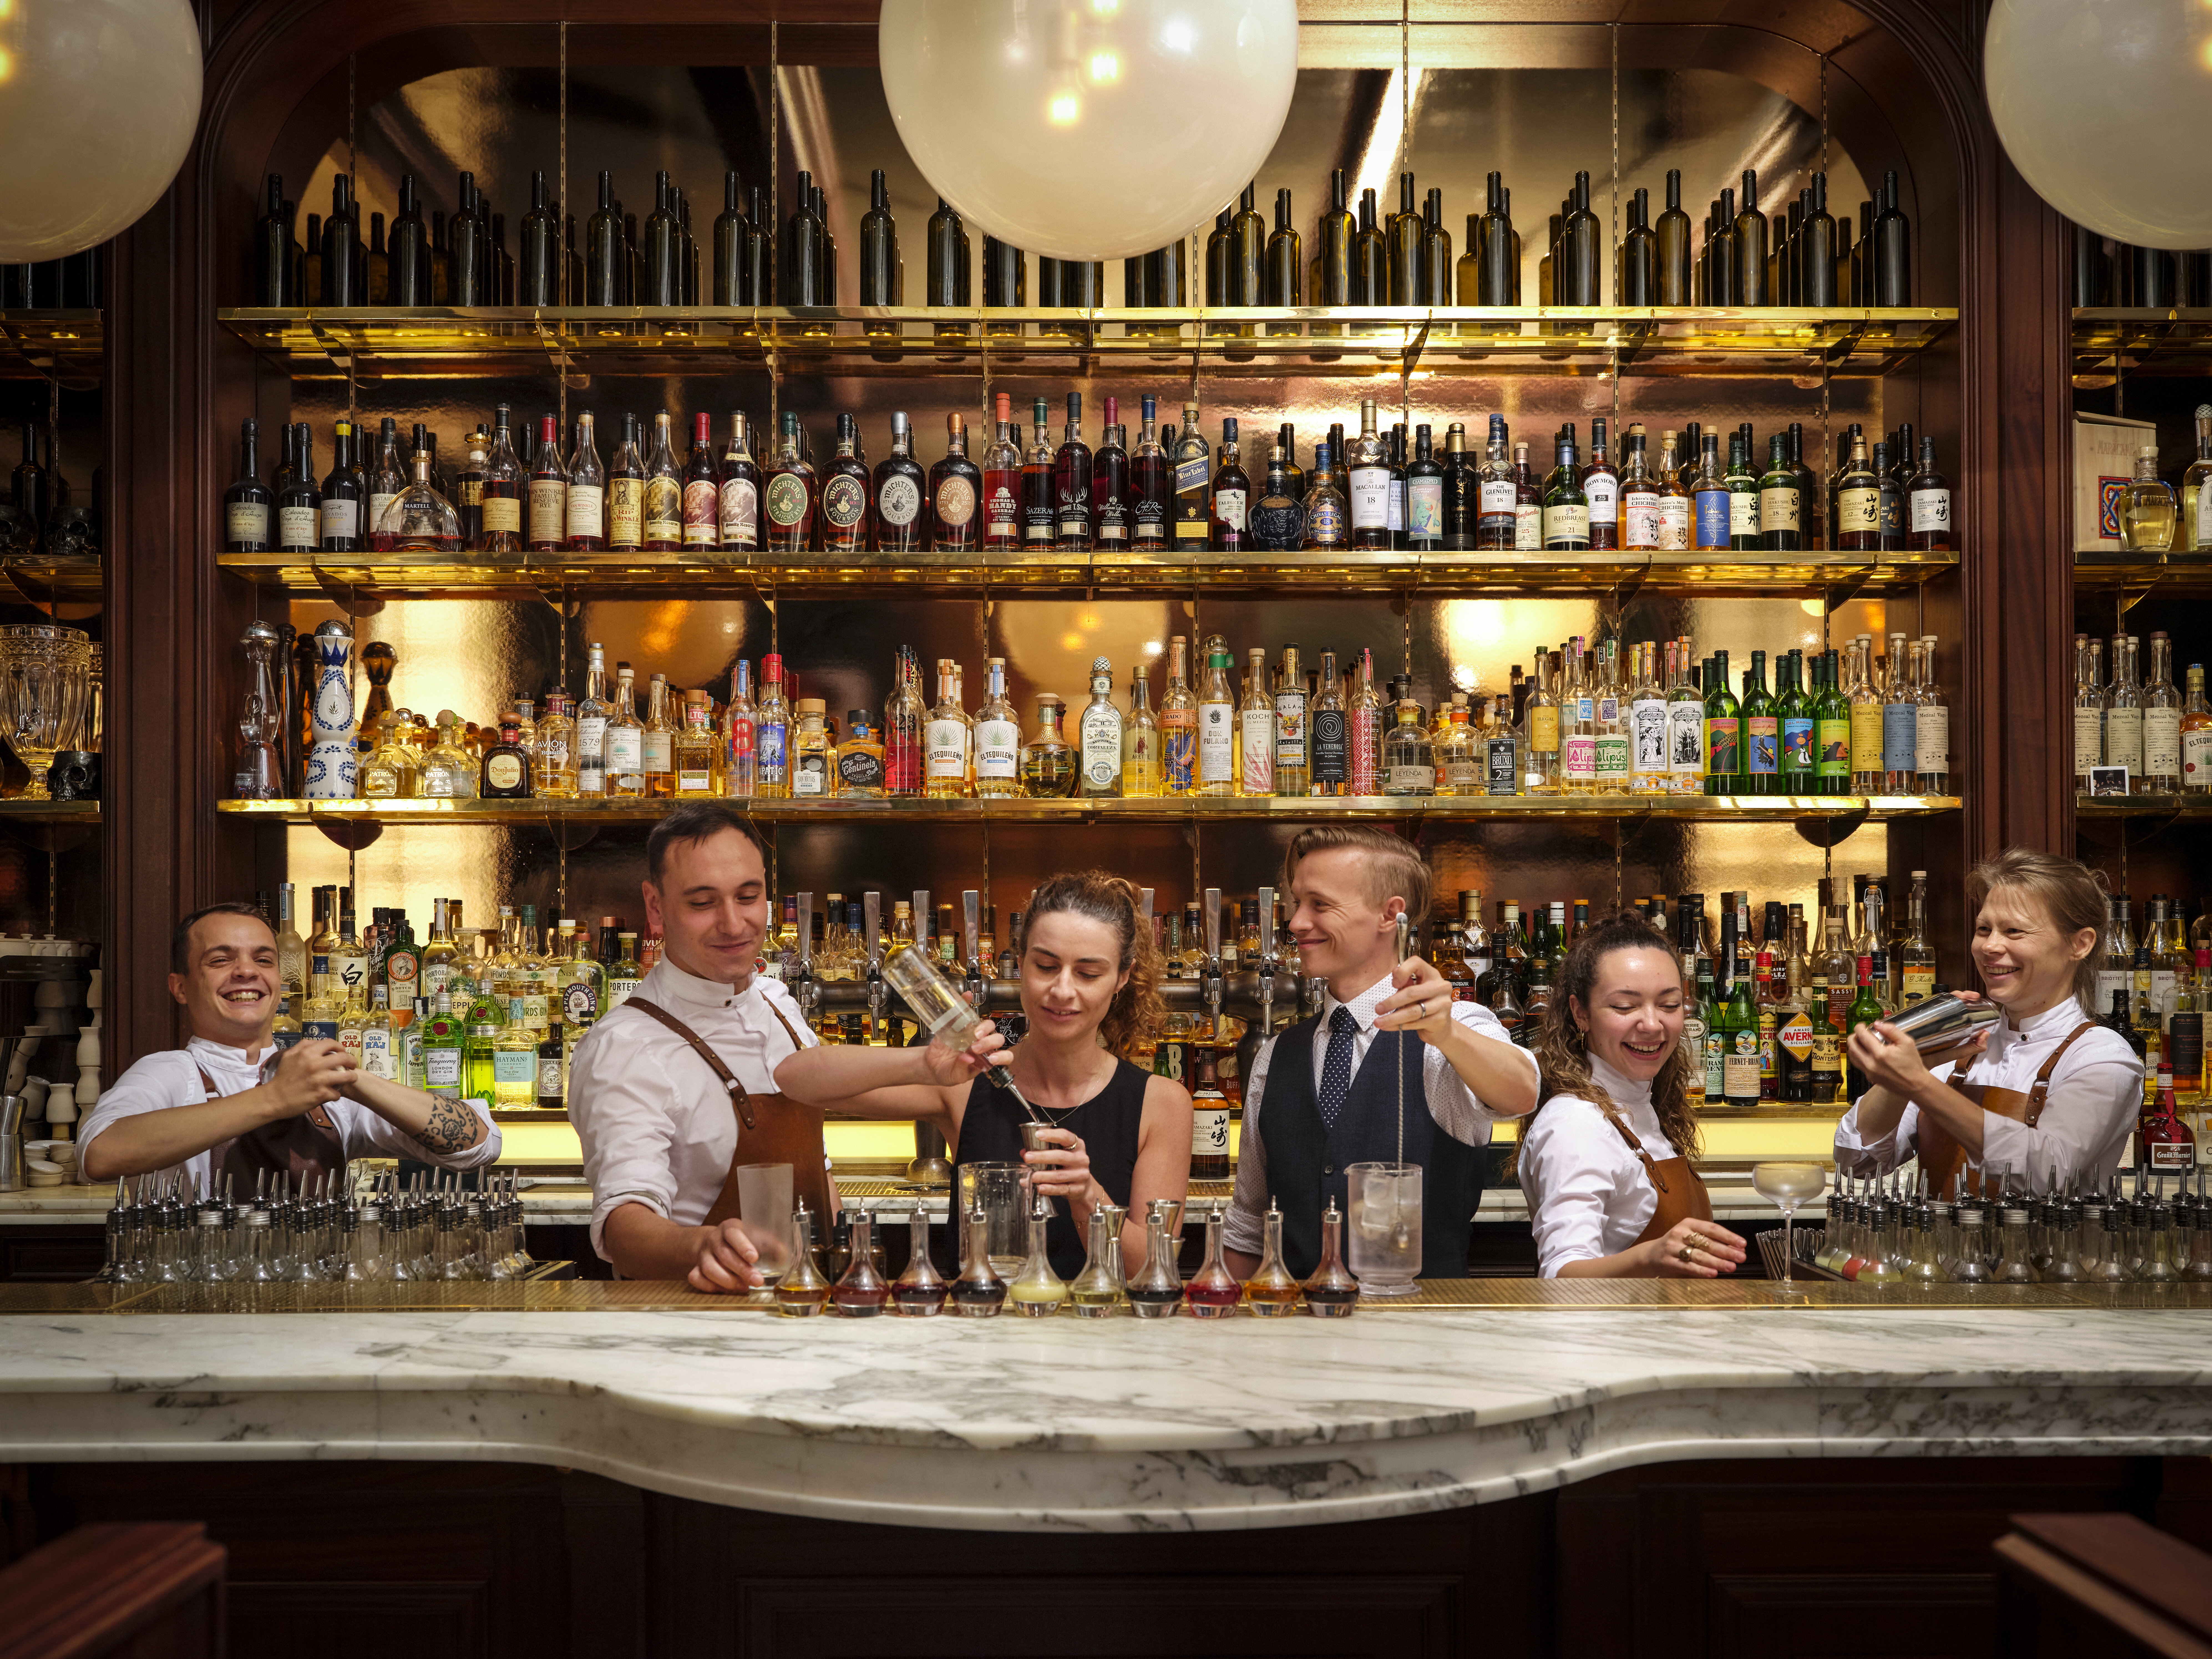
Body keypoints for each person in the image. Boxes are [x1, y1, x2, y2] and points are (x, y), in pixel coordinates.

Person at [776, 870, 1191, 1278]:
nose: (1063, 990)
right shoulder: (966, 1087)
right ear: (1020, 963)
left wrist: (1088, 1197)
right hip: (980, 1318)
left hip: (1103, 1321)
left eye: (1088, 974)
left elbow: (1153, 1271)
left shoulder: (1161, 1104)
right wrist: (921, 1065)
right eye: (1046, 966)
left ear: (1121, 978)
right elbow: (794, 1080)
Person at [1223, 825, 1539, 1282]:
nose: (1295, 923)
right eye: (1297, 903)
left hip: (1425, 1322)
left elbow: (1522, 1092)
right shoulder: (1275, 1056)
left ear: (1390, 914)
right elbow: (1249, 1228)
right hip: (1296, 1323)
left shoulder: (1454, 1030)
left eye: (1320, 904)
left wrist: (1446, 1032)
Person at [568, 802, 832, 1292]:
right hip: (696, 1319)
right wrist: (702, 1247)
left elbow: (817, 1169)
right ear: (655, 906)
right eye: (703, 903)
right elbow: (624, 1226)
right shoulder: (624, 1046)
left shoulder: (779, 1006)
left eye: (748, 897)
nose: (733, 924)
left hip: (808, 1309)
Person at [80, 901, 499, 1191]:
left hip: (318, 1290)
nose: (246, 971)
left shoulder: (320, 1081)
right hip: (207, 1291)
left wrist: (354, 1080)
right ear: (181, 987)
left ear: (279, 984)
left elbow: (479, 1144)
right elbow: (100, 1156)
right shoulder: (169, 1072)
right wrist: (274, 1099)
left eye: (263, 960)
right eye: (221, 960)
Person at [1837, 848, 2143, 1194]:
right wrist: (1910, 1066)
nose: (1989, 946)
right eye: (1984, 929)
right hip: (1939, 1232)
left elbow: (2049, 1172)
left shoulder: (2102, 1058)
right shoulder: (1963, 1042)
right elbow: (1856, 1162)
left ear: (2079, 944)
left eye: (2014, 931)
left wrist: (1919, 1085)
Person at [1513, 912, 1748, 1278]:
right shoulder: (1575, 1123)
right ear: (1580, 1013)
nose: (1652, 1024)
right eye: (1624, 1006)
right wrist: (1648, 1257)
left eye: (1669, 1005)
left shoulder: (1644, 1106)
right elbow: (1560, 1274)